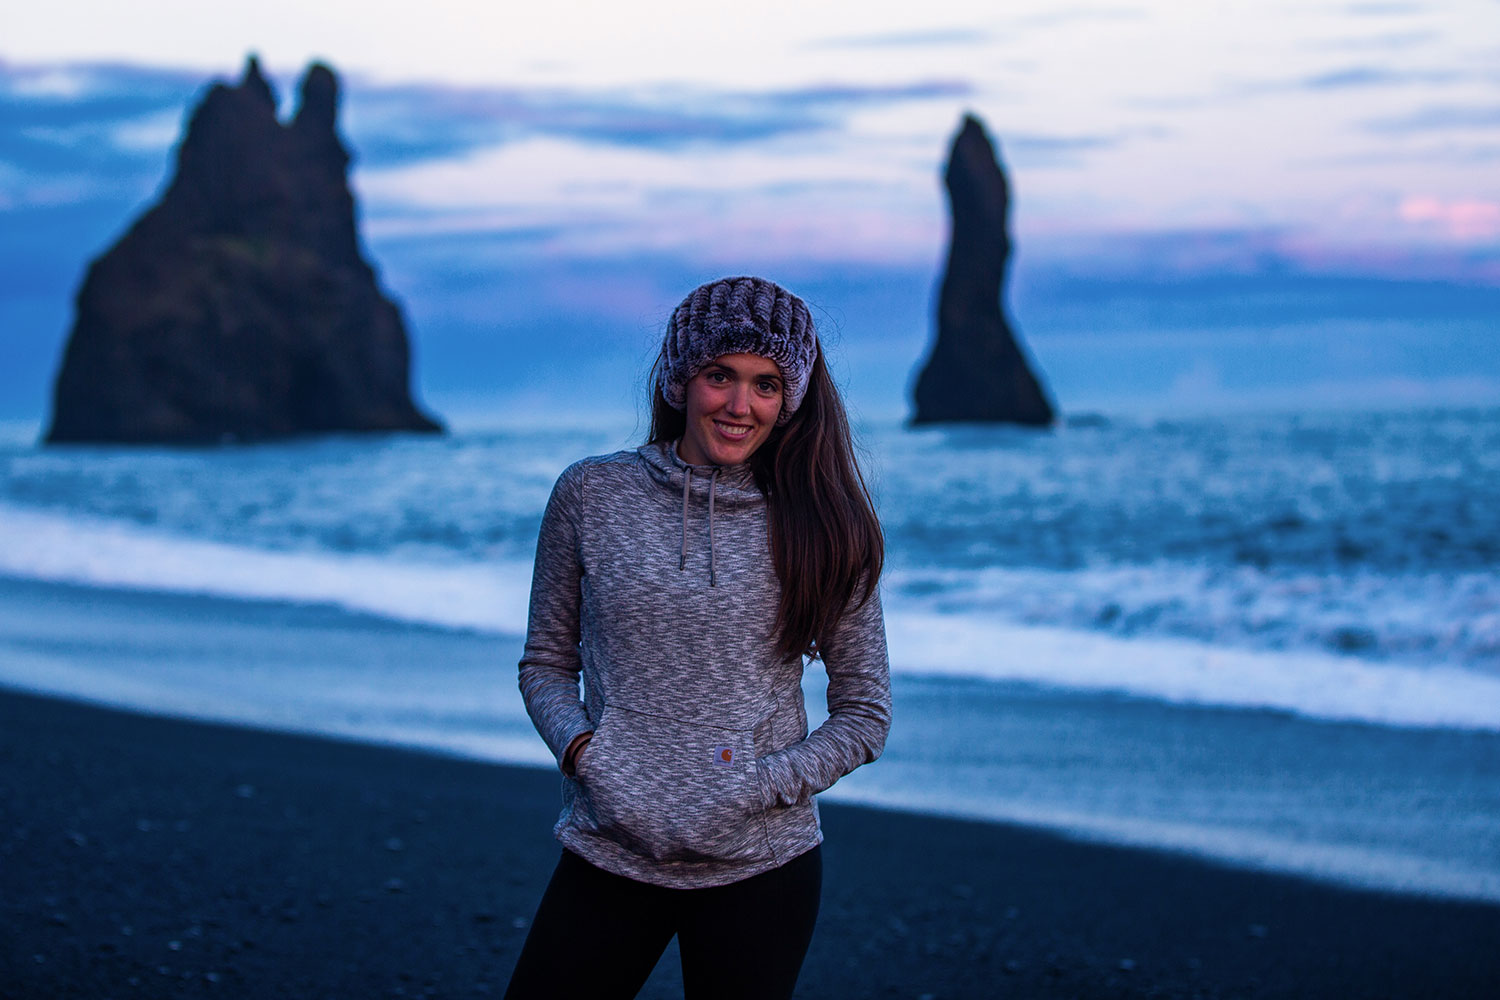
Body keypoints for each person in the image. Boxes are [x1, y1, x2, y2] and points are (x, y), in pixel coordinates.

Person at [504, 275, 891, 1000]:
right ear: (682, 378)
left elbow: (866, 712)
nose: (741, 405)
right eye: (721, 376)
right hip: (609, 848)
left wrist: (755, 785)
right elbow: (546, 664)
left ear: (791, 398)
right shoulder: (592, 494)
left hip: (762, 863)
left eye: (766, 383)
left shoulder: (828, 525)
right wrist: (590, 755)